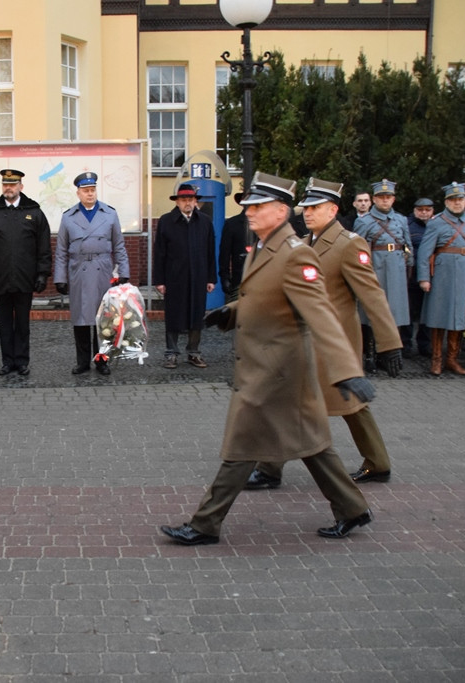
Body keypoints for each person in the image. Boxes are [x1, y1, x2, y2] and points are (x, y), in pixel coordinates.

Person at [159, 172, 375, 546]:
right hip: (271, 370)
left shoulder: (296, 254)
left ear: (281, 211)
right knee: (314, 448)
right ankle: (353, 508)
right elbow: (266, 296)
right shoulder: (264, 246)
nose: (249, 211)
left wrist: (346, 371)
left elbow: (320, 314)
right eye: (248, 205)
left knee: (241, 447)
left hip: (277, 373)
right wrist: (231, 312)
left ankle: (205, 524)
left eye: (257, 206)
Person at [245, 178, 402, 491]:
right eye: (306, 208)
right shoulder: (305, 243)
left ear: (333, 210)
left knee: (351, 404)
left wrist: (390, 344)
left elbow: (372, 297)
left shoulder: (349, 244)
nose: (307, 213)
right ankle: (269, 468)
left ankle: (378, 463)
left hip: (334, 342)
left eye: (315, 208)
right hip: (303, 341)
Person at [0, 169, 52, 376]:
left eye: (13, 184)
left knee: (23, 324)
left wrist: (42, 273)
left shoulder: (34, 212)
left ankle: (22, 361)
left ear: (21, 186)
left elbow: (43, 246)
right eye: (5, 184)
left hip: (25, 278)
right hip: (0, 279)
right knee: (5, 324)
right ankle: (7, 362)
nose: (8, 188)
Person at [53, 171, 130, 375]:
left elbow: (119, 245)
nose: (90, 194)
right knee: (80, 319)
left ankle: (102, 360)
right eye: (86, 190)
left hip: (102, 271)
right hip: (78, 271)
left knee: (103, 319)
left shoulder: (110, 214)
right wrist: (60, 278)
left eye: (93, 190)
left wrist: (123, 272)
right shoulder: (68, 217)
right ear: (78, 193)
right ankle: (82, 361)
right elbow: (61, 251)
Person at [416, 182, 465, 376]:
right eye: (453, 200)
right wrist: (424, 278)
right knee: (439, 316)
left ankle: (452, 359)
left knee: (458, 318)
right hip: (442, 274)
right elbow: (424, 252)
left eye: (460, 199)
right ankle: (437, 359)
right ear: (447, 202)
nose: (457, 203)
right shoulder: (436, 221)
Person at [153, 184, 216, 369]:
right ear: (177, 202)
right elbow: (160, 253)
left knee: (196, 314)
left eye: (191, 199)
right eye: (184, 200)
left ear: (196, 201)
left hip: (198, 275)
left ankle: (194, 352)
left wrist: (211, 278)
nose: (187, 203)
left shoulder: (204, 221)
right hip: (174, 277)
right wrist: (160, 280)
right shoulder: (166, 221)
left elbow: (210, 251)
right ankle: (171, 353)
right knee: (173, 314)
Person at [354, 179, 411, 371]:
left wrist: (409, 265)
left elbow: (407, 245)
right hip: (375, 268)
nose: (385, 201)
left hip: (396, 268)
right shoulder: (364, 221)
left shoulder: (401, 220)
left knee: (396, 312)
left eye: (388, 197)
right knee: (371, 311)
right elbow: (358, 248)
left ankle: (391, 354)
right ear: (374, 199)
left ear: (393, 199)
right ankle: (370, 355)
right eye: (380, 197)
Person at [403, 197, 435, 358]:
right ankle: (406, 344)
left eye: (427, 210)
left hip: (431, 274)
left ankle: (425, 344)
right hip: (410, 274)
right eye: (420, 210)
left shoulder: (437, 225)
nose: (424, 213)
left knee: (427, 311)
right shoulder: (407, 225)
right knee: (408, 311)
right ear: (414, 210)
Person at [218, 193, 250, 304]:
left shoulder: (265, 223)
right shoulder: (232, 224)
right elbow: (224, 254)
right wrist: (225, 277)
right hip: (238, 279)